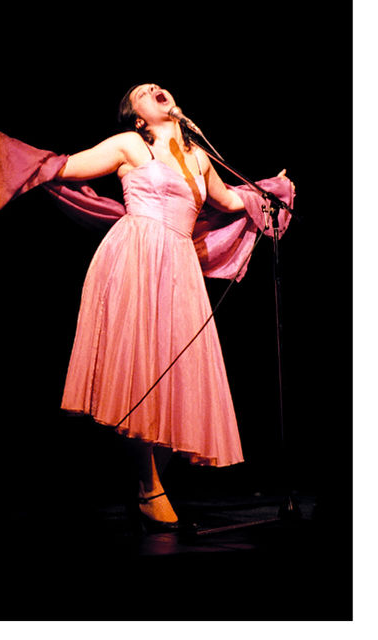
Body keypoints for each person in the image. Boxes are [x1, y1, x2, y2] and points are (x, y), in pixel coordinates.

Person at [54, 83, 292, 530]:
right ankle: (149, 489)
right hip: (135, 255)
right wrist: (20, 165)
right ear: (137, 116)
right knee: (139, 370)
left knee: (172, 373)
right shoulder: (129, 144)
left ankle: (148, 487)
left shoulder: (199, 157)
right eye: (142, 92)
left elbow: (229, 200)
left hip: (180, 265)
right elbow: (68, 167)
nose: (155, 88)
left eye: (157, 85)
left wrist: (271, 190)